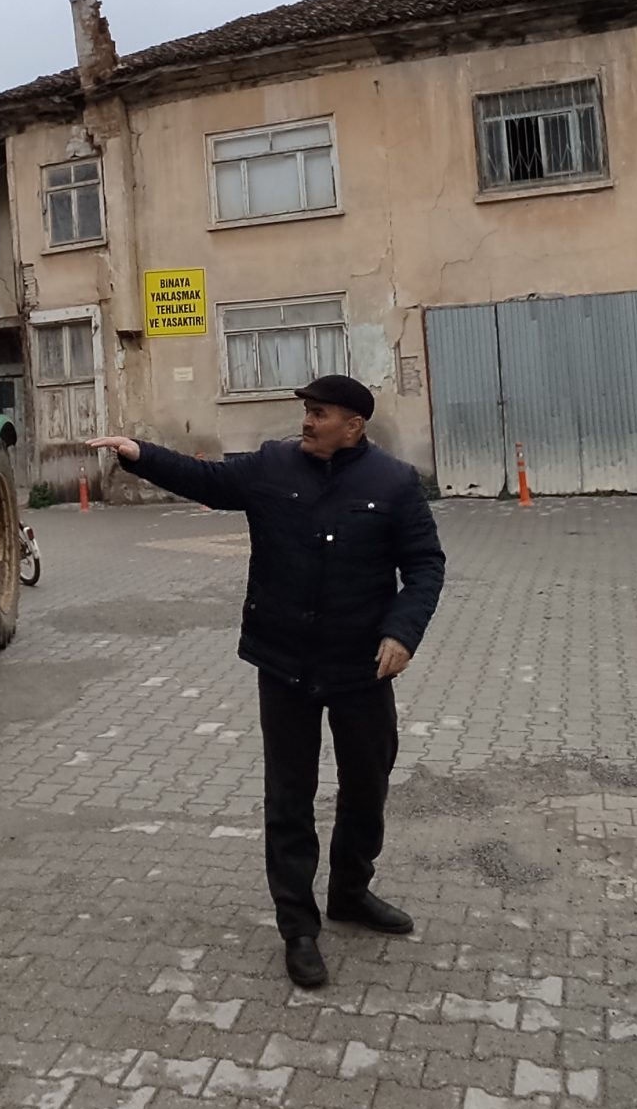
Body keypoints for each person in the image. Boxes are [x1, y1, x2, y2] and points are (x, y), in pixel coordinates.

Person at [89, 374, 444, 989]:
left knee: (367, 784)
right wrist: (140, 454)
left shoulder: (392, 483)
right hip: (285, 662)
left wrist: (402, 632)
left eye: (320, 413)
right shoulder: (273, 466)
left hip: (360, 666)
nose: (306, 422)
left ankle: (352, 892)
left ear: (354, 424)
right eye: (306, 411)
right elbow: (208, 481)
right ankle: (297, 927)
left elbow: (424, 566)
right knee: (289, 795)